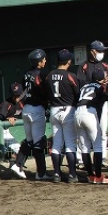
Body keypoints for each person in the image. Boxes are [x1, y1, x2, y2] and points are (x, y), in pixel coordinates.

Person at [44, 49, 80, 183]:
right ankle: (72, 175)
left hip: (54, 109)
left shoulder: (49, 75)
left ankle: (56, 174)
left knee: (57, 144)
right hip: (68, 110)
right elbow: (77, 94)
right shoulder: (70, 75)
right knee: (70, 143)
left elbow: (46, 92)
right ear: (69, 61)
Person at [15, 49, 51, 180]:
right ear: (39, 62)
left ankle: (18, 164)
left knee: (29, 141)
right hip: (37, 109)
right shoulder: (40, 74)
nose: (45, 61)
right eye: (43, 59)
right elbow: (45, 92)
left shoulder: (26, 73)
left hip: (26, 109)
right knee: (38, 142)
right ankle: (41, 173)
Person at [78, 40, 108, 168]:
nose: (101, 53)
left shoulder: (105, 65)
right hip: (89, 104)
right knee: (84, 134)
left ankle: (102, 157)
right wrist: (96, 82)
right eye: (99, 51)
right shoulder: (84, 66)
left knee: (103, 131)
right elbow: (81, 84)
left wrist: (105, 83)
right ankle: (82, 160)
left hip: (102, 102)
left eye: (103, 51)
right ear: (92, 51)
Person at [75, 69, 108, 184]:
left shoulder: (84, 87)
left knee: (84, 147)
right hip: (89, 113)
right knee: (98, 146)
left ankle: (91, 175)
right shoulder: (100, 87)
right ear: (101, 79)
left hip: (77, 113)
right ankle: (98, 176)